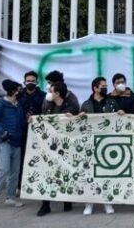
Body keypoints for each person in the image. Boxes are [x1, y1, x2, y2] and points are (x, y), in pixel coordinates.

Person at [36, 80, 80, 217]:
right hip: (49, 146)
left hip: (65, 146)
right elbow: (42, 120)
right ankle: (45, 204)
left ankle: (67, 200)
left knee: (65, 172)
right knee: (47, 173)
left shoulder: (71, 107)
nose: (49, 93)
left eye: (51, 91)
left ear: (58, 93)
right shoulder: (48, 106)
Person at [79, 76, 119, 215]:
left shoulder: (111, 103)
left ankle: (106, 202)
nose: (105, 88)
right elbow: (79, 124)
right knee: (89, 174)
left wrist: (120, 114)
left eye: (106, 86)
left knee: (105, 173)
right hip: (90, 143)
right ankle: (89, 203)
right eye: (102, 86)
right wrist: (80, 116)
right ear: (95, 88)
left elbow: (118, 121)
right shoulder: (85, 104)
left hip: (106, 142)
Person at [0, 79, 26, 211]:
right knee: (4, 169)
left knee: (14, 172)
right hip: (5, 142)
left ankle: (10, 197)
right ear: (13, 91)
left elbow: (21, 122)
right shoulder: (1, 104)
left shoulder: (19, 105)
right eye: (19, 89)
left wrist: (27, 118)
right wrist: (3, 132)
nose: (21, 91)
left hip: (17, 142)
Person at [17, 71, 45, 189]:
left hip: (38, 132)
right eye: (28, 81)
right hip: (22, 131)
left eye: (33, 81)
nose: (30, 83)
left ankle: (36, 185)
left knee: (38, 158)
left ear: (37, 82)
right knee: (21, 158)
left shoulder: (43, 96)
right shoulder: (19, 95)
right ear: (24, 82)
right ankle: (20, 185)